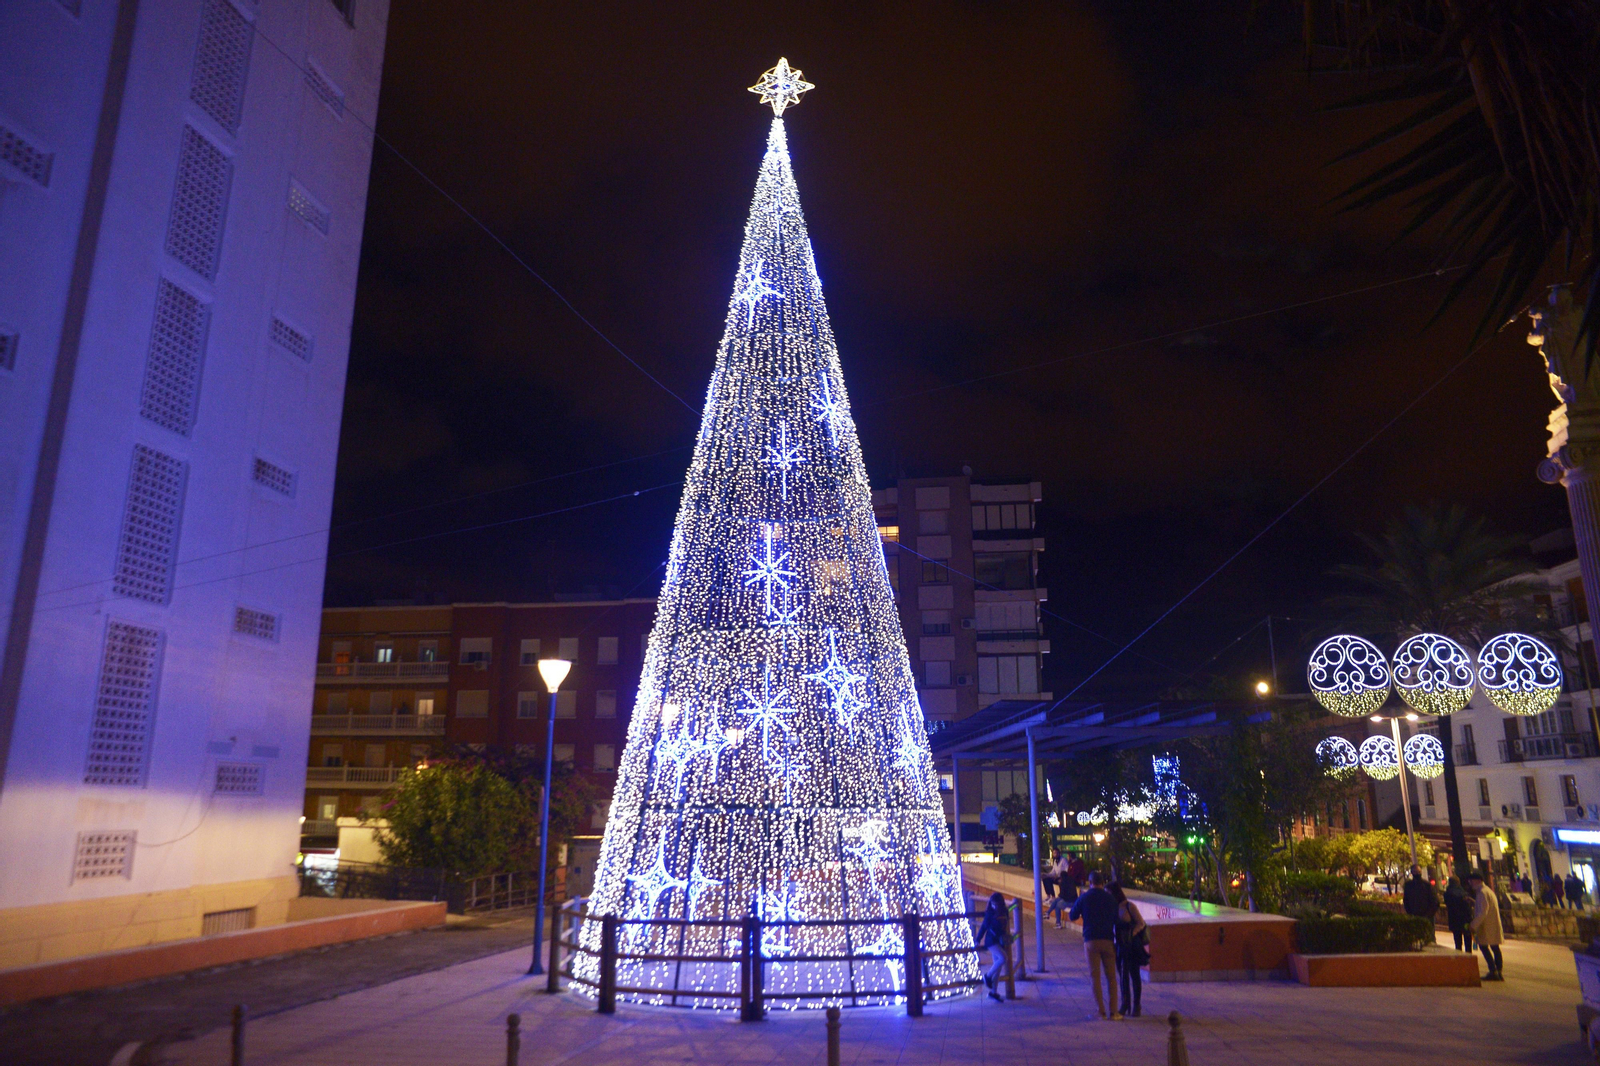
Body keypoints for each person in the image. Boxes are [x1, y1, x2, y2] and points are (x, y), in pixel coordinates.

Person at [1069, 871, 1122, 1020]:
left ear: (1090, 882)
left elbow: (1072, 915)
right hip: (1108, 940)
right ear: (1102, 882)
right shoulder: (1110, 898)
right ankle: (1114, 1012)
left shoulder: (1084, 897)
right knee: (1111, 977)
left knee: (1095, 977)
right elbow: (1117, 919)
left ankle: (1101, 1011)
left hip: (1091, 940)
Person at [1108, 881, 1148, 1018]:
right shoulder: (1112, 907)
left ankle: (1136, 1005)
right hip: (1119, 945)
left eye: (1109, 893)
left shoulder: (1129, 906)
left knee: (1134, 975)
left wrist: (1132, 933)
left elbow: (1141, 923)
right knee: (1123, 976)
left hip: (1131, 944)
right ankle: (1125, 1004)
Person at [1468, 871, 1504, 981]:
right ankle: (1498, 971)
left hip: (1486, 925)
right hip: (1492, 924)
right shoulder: (1487, 891)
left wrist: (1473, 925)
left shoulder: (1482, 893)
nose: (1470, 883)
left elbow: (1483, 911)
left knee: (1484, 946)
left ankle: (1493, 971)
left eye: (1471, 881)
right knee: (1495, 947)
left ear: (1477, 880)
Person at [975, 892, 1010, 1002]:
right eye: (992, 904)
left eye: (995, 904)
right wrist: (977, 939)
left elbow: (1005, 926)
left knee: (998, 967)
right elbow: (983, 927)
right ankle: (988, 976)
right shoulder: (990, 913)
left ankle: (993, 992)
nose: (994, 906)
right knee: (1003, 958)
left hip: (999, 940)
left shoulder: (1004, 911)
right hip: (991, 941)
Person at [1443, 876, 1475, 953]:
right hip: (1465, 919)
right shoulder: (1463, 893)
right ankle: (1468, 954)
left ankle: (1459, 954)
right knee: (1467, 938)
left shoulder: (1448, 893)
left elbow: (1448, 904)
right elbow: (1468, 906)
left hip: (1454, 918)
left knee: (1457, 940)